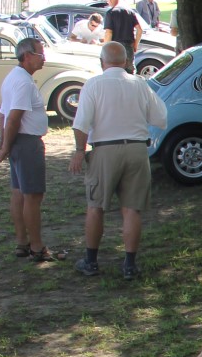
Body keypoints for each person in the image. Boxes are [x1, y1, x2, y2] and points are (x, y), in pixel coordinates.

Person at [69, 42, 167, 279]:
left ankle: (91, 261)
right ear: (125, 61)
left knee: (96, 206)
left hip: (105, 150)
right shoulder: (139, 84)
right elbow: (161, 117)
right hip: (136, 149)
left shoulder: (94, 85)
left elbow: (81, 123)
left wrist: (79, 150)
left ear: (102, 62)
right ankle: (130, 265)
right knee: (132, 209)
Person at [0, 37, 64, 262]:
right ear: (27, 56)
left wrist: (3, 144)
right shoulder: (23, 82)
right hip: (27, 143)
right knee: (32, 196)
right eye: (40, 54)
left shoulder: (13, 78)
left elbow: (2, 116)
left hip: (16, 143)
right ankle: (37, 247)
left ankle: (22, 242)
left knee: (19, 194)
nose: (44, 58)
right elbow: (13, 118)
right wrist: (4, 146)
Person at [102, 0, 142, 65]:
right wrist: (135, 45)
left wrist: (105, 48)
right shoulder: (130, 12)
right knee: (130, 70)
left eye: (108, 0)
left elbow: (108, 33)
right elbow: (139, 30)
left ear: (111, 0)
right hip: (129, 46)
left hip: (115, 48)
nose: (108, 2)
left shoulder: (110, 13)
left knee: (114, 70)